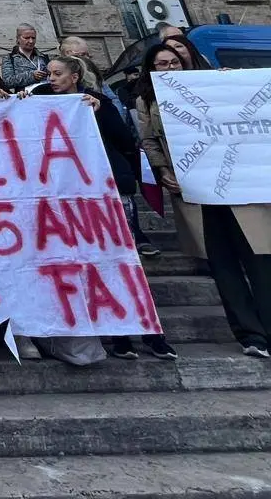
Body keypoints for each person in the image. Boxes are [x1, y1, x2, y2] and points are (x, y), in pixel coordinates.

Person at [30, 55, 177, 362]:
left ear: (74, 77)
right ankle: (120, 337)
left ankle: (152, 334)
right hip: (69, 196)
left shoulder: (95, 103)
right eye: (50, 74)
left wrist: (98, 113)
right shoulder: (39, 99)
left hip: (105, 192)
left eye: (58, 74)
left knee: (122, 262)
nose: (52, 78)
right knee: (94, 265)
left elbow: (125, 139)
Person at [136, 42, 271, 358]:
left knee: (260, 260)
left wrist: (229, 82)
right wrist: (162, 169)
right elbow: (149, 140)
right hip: (194, 190)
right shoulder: (148, 99)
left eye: (174, 62)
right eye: (161, 63)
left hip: (241, 188)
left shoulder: (211, 85)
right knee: (222, 264)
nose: (168, 68)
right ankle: (250, 335)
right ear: (151, 68)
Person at [1, 25, 49, 92]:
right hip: (24, 98)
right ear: (18, 39)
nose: (31, 41)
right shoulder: (9, 58)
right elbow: (7, 82)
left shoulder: (43, 57)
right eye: (26, 38)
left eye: (33, 38)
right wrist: (31, 76)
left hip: (45, 94)